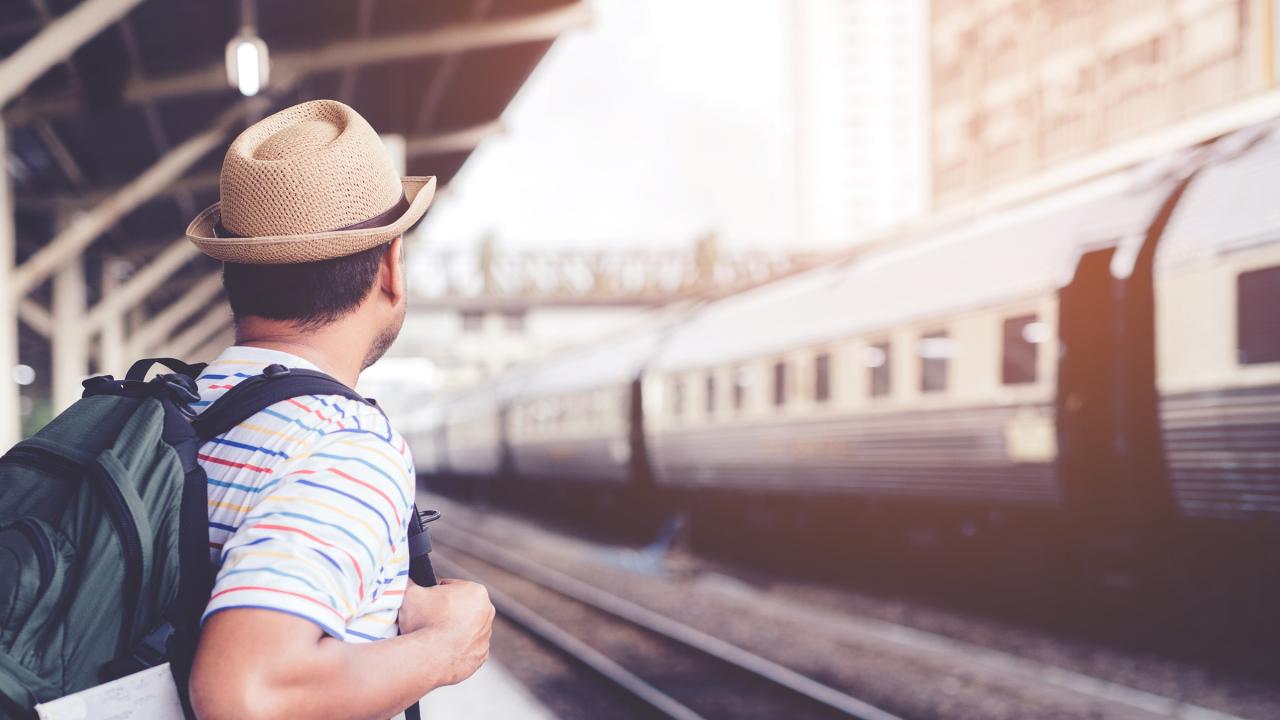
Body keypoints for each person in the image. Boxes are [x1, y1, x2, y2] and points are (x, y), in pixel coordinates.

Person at [180, 99, 494, 720]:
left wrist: (392, 596)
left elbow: (209, 562)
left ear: (233, 274)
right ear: (390, 267)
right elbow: (247, 691)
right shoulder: (340, 443)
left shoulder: (187, 410)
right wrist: (447, 647)